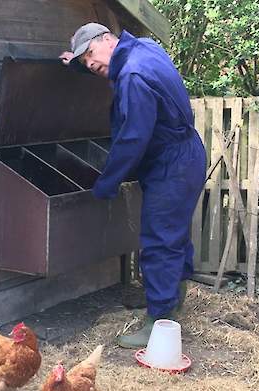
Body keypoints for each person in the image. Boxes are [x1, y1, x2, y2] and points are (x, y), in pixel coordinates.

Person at [61, 23, 206, 349]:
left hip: (172, 164)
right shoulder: (143, 48)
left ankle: (159, 320)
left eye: (90, 56)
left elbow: (132, 139)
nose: (90, 65)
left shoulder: (133, 77)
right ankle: (172, 300)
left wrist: (107, 183)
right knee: (174, 234)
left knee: (159, 240)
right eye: (84, 62)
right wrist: (78, 62)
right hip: (185, 154)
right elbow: (107, 66)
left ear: (106, 40)